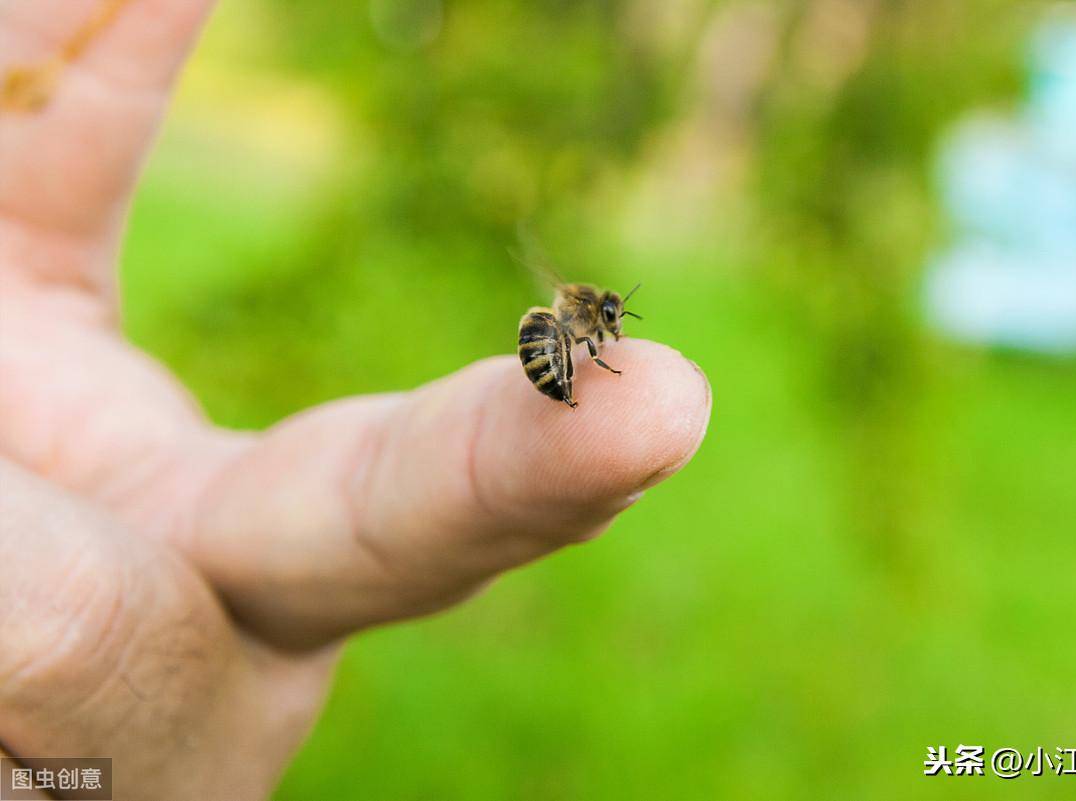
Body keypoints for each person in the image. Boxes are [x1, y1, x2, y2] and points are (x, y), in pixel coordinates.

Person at [0, 2, 711, 799]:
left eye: (608, 324)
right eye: (608, 321)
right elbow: (572, 333)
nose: (611, 327)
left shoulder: (583, 322)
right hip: (544, 353)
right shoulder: (574, 321)